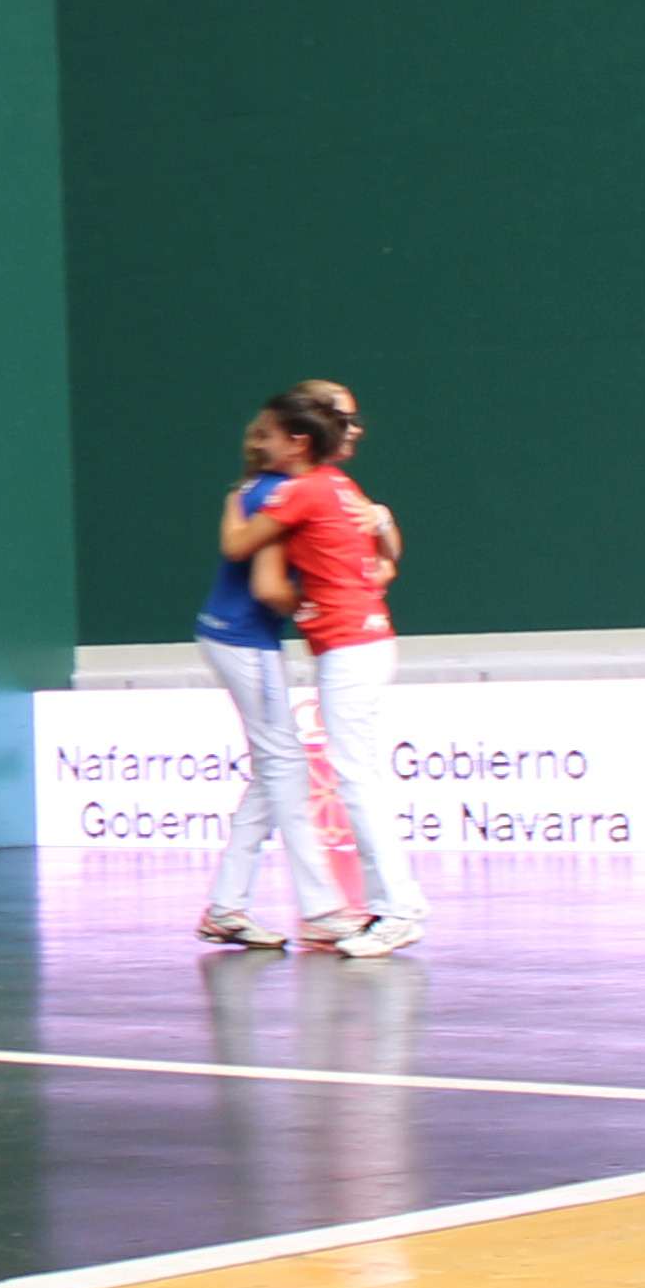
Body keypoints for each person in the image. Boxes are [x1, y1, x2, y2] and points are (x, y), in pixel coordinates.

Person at [221, 388, 429, 957]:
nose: (265, 445)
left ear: (300, 443)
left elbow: (238, 544)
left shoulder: (305, 491)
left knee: (358, 780)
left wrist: (242, 493)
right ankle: (391, 907)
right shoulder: (341, 486)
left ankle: (401, 909)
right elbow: (382, 562)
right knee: (357, 777)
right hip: (365, 640)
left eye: (275, 437)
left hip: (351, 649)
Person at [191, 406, 322, 950]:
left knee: (273, 771)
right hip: (246, 639)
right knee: (286, 765)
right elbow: (270, 589)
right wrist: (314, 606)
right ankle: (322, 908)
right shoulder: (278, 496)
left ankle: (227, 907)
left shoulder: (253, 488)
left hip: (227, 635)